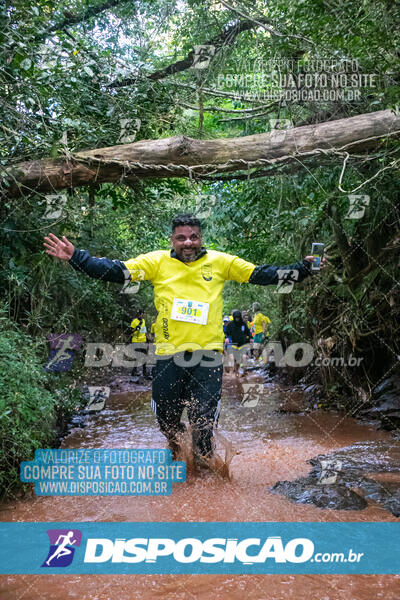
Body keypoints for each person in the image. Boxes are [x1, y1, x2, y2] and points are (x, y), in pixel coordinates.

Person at [43, 213, 321, 467]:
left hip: (208, 356)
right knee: (167, 421)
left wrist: (303, 269)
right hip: (168, 355)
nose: (188, 242)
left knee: (203, 423)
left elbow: (262, 274)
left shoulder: (221, 263)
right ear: (172, 240)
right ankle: (177, 454)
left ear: (201, 239)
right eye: (181, 237)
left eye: (194, 237)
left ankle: (207, 476)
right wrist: (76, 257)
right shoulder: (156, 263)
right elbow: (116, 271)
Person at [225, 310, 251, 377]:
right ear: (234, 317)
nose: (237, 319)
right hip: (234, 344)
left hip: (242, 344)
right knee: (237, 360)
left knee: (244, 357)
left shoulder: (243, 324)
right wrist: (226, 337)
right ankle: (236, 372)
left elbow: (248, 332)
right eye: (236, 318)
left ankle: (243, 372)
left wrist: (251, 338)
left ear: (240, 317)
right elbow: (226, 332)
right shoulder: (231, 324)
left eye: (238, 318)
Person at [130, 309, 150, 379]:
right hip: (136, 341)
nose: (145, 315)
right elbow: (130, 331)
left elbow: (144, 331)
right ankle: (133, 372)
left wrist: (148, 340)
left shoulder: (143, 321)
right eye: (144, 314)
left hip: (143, 341)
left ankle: (144, 373)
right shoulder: (134, 321)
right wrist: (136, 329)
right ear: (141, 314)